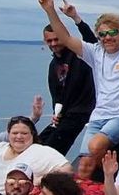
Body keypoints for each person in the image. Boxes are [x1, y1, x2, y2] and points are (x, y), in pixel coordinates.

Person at [38, 0, 119, 168]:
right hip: (99, 116)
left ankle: (112, 177)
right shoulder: (95, 53)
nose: (107, 38)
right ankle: (94, 193)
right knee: (84, 166)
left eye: (112, 33)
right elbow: (65, 38)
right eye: (102, 34)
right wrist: (50, 10)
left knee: (95, 146)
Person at [39, 14, 95, 156]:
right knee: (37, 144)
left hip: (81, 111)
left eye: (56, 39)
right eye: (49, 41)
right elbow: (56, 94)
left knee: (52, 151)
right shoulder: (53, 65)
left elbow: (92, 41)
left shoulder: (79, 54)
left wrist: (77, 20)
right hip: (64, 114)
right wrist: (55, 114)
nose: (53, 44)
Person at [0, 116, 70, 191]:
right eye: (15, 133)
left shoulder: (41, 151)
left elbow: (67, 170)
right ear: (8, 134)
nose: (19, 136)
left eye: (24, 133)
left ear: (32, 134)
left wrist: (41, 180)